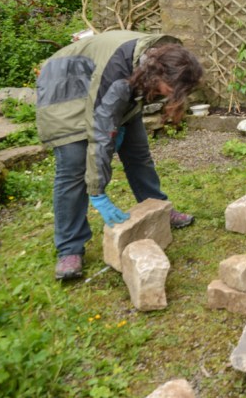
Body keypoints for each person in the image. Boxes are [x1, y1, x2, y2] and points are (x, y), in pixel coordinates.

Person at [36, 30, 204, 280]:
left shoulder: (155, 61)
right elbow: (100, 132)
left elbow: (115, 109)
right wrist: (97, 191)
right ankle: (70, 248)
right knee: (73, 166)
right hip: (64, 90)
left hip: (103, 86)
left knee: (138, 153)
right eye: (173, 89)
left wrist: (117, 126)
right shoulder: (117, 75)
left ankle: (157, 210)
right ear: (159, 74)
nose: (173, 95)